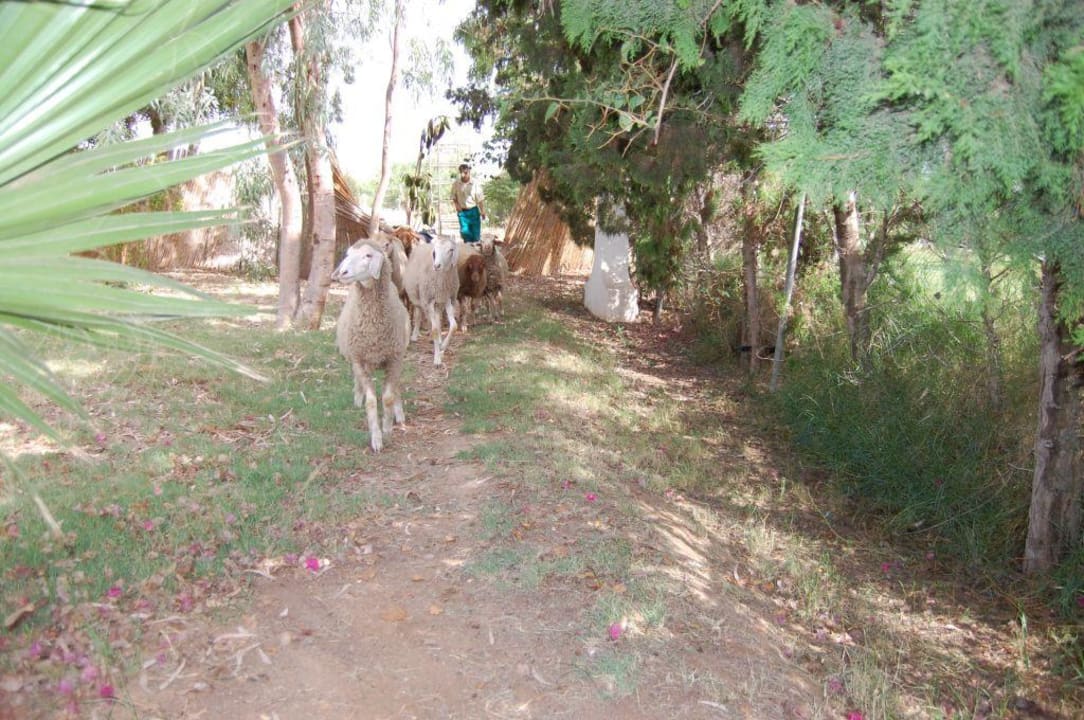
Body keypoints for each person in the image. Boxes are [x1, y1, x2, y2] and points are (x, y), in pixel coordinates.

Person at [450, 163, 487, 244]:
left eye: (466, 173)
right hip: (462, 212)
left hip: (473, 211)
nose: (464, 175)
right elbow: (453, 197)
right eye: (462, 173)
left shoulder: (475, 184)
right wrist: (456, 206)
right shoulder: (456, 184)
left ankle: (476, 253)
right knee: (465, 233)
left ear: (469, 172)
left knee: (475, 235)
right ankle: (468, 252)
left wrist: (483, 211)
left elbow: (480, 199)